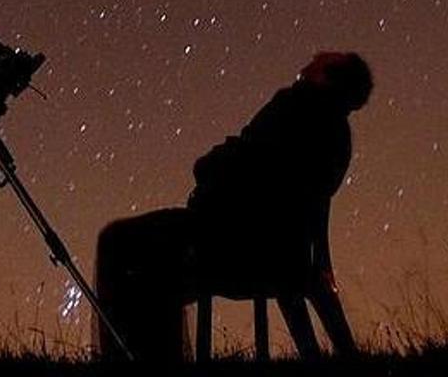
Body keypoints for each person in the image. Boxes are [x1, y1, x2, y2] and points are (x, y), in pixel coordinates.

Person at [96, 52, 371, 362]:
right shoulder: (338, 135)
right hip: (273, 249)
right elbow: (315, 203)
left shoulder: (294, 105)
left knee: (119, 240)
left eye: (325, 58)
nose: (316, 56)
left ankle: (133, 357)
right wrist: (319, 257)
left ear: (327, 76)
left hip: (231, 239)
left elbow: (243, 158)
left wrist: (208, 163)